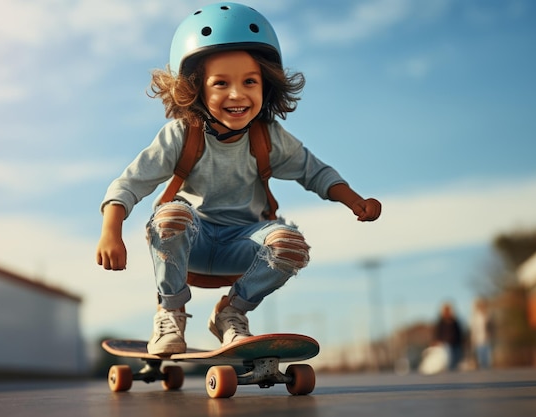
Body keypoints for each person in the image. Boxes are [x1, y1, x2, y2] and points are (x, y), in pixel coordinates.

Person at [95, 2, 382, 355]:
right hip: (189, 244)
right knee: (171, 215)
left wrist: (353, 199)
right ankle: (170, 313)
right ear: (195, 89)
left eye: (250, 81)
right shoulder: (181, 135)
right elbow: (130, 182)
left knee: (290, 244)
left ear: (267, 86)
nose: (237, 94)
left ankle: (232, 313)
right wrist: (111, 230)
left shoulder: (268, 137)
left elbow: (315, 171)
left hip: (243, 247)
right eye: (220, 83)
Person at [434, 303, 465, 370]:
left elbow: (459, 332)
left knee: (456, 359)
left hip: (455, 343)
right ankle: (449, 372)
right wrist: (437, 340)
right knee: (449, 359)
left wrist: (462, 341)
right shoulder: (441, 321)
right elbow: (438, 332)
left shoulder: (454, 321)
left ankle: (453, 370)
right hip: (446, 343)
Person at [470, 298, 493, 369]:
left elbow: (491, 327)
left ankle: (488, 371)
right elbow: (474, 329)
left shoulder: (488, 315)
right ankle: (483, 372)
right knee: (481, 358)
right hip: (479, 340)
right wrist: (473, 339)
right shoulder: (475, 317)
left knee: (488, 359)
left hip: (487, 339)